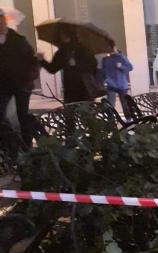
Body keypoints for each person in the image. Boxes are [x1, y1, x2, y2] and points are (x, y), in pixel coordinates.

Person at [0, 8, 39, 152]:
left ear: (5, 21)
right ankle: (9, 146)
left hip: (21, 83)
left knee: (23, 116)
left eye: (1, 21)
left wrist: (29, 75)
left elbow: (32, 60)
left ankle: (26, 147)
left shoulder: (18, 40)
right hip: (3, 85)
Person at [38, 29, 101, 103]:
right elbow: (53, 68)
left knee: (79, 110)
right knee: (80, 110)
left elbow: (52, 69)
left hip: (78, 88)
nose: (62, 38)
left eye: (64, 36)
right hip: (78, 88)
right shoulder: (66, 51)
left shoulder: (73, 50)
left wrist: (42, 60)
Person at [102, 46, 133, 121]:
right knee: (110, 104)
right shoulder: (106, 59)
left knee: (124, 103)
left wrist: (121, 66)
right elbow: (103, 71)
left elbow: (130, 67)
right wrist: (106, 80)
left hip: (121, 84)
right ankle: (111, 120)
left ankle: (128, 119)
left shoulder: (121, 57)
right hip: (111, 84)